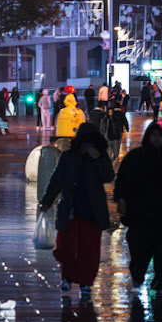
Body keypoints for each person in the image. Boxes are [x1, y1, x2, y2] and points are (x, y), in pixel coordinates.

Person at [114, 118, 162, 295]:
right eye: (153, 135)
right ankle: (138, 277)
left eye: (160, 136)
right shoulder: (135, 158)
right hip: (140, 216)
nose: (156, 139)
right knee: (139, 252)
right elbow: (122, 182)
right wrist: (122, 200)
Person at [40, 121, 115, 302]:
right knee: (66, 247)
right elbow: (57, 179)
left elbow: (108, 176)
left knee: (89, 250)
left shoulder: (100, 156)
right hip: (70, 210)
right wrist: (47, 201)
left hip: (92, 211)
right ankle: (66, 278)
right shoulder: (68, 156)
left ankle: (85, 283)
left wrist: (98, 158)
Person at [105, 99, 129, 164]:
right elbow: (125, 121)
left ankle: (113, 155)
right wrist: (127, 128)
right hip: (120, 130)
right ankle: (116, 153)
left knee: (113, 144)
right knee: (118, 142)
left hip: (113, 131)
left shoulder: (113, 113)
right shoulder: (121, 113)